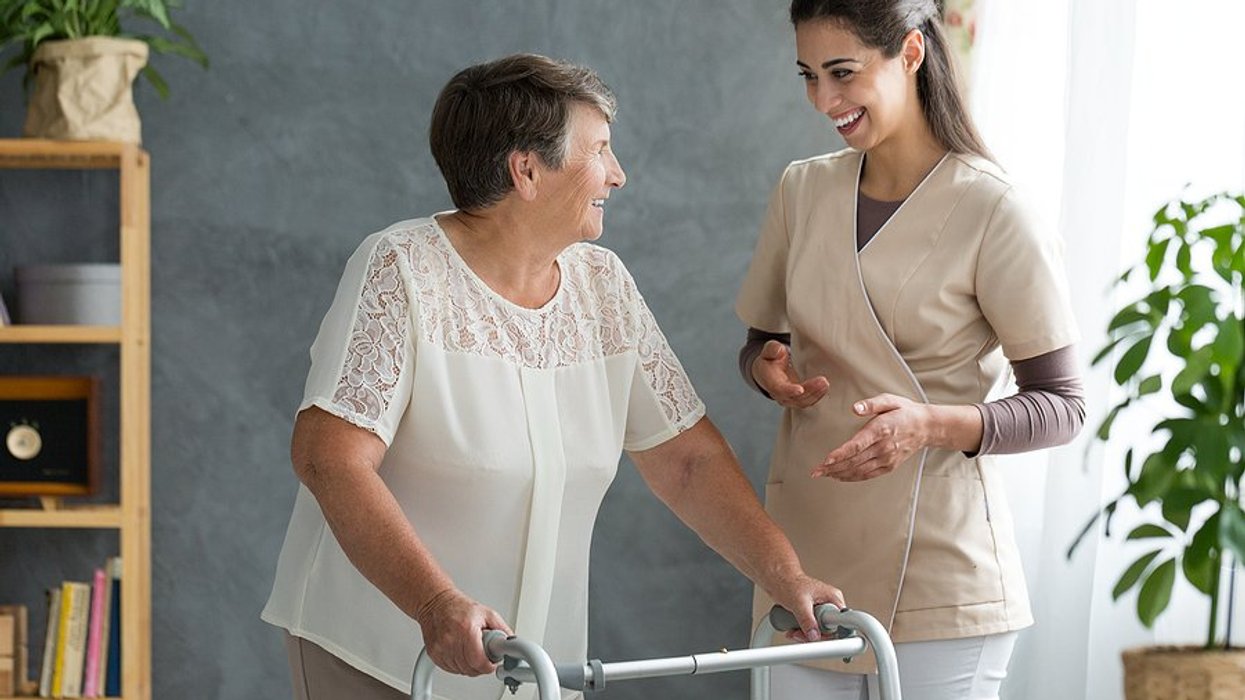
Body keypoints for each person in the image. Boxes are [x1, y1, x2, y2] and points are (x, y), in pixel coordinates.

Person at [262, 53, 844, 700]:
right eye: (599, 151)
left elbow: (685, 460)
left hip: (531, 670)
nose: (618, 175)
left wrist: (784, 574)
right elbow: (328, 460)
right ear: (527, 169)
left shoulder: (603, 285)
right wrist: (433, 604)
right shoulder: (401, 271)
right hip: (383, 657)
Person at [735, 2, 1086, 699]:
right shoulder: (801, 189)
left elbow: (1063, 406)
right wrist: (766, 372)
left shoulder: (993, 209)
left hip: (940, 570)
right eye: (808, 75)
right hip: (806, 559)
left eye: (842, 73)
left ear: (911, 54)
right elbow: (760, 341)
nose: (823, 100)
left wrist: (927, 425)